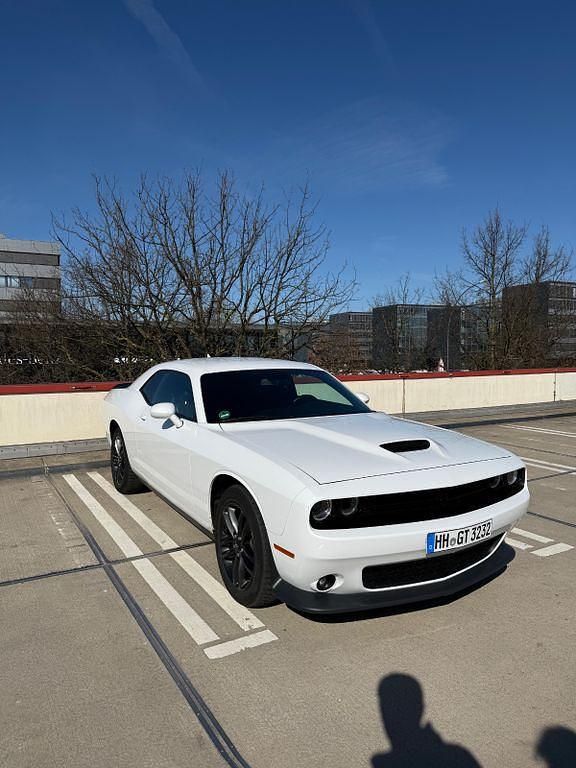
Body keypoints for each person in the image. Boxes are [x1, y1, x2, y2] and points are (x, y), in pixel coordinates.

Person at [372, 674, 482, 768]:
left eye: (399, 706)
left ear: (419, 708)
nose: (390, 717)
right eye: (386, 708)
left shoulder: (455, 759)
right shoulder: (456, 757)